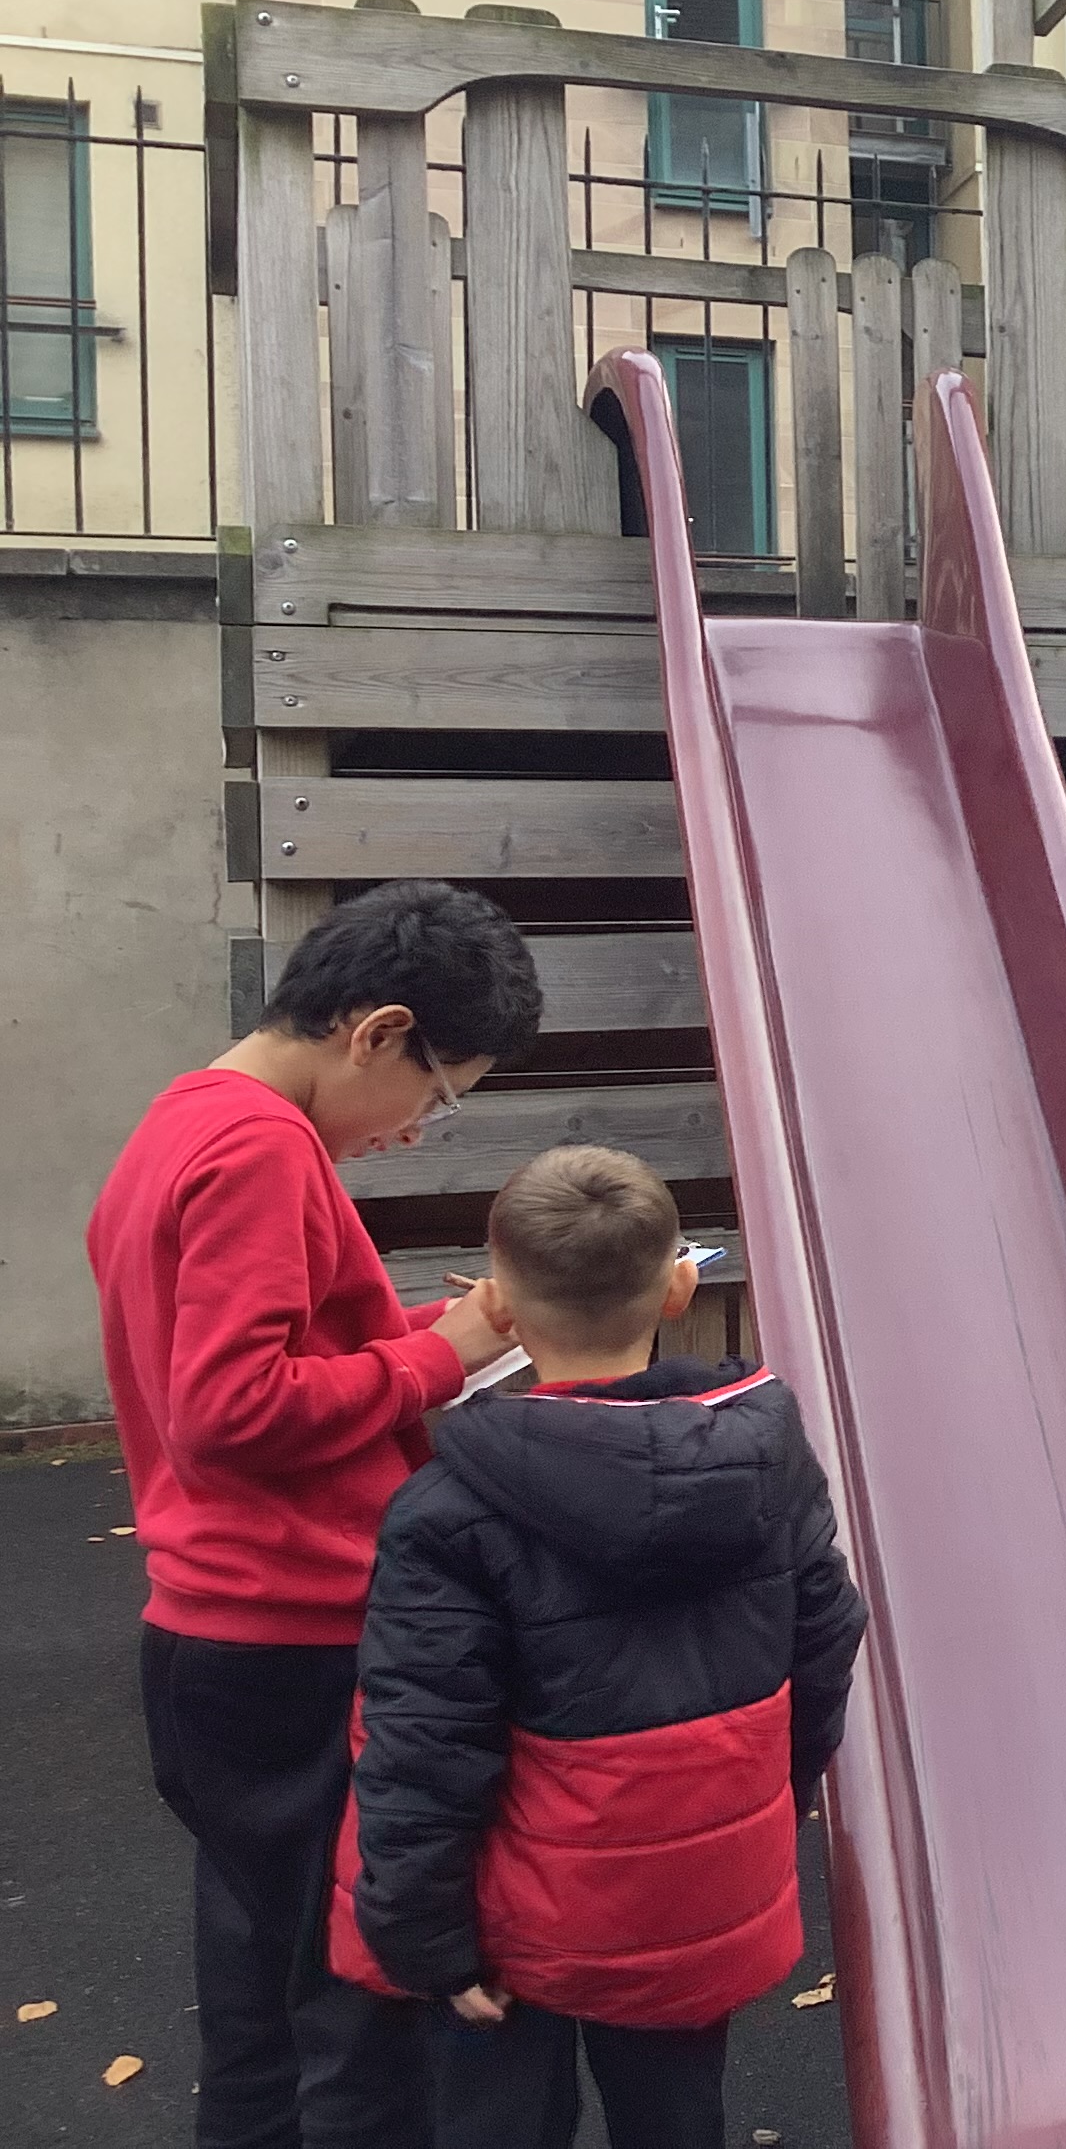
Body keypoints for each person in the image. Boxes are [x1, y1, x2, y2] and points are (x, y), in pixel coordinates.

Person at [86, 876, 543, 2148]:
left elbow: (255, 1354)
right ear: (378, 1032)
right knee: (351, 2003)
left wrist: (444, 1328)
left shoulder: (187, 1117)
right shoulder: (262, 1150)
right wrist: (439, 1359)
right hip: (298, 1626)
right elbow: (231, 1409)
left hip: (216, 1627)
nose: (416, 1131)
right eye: (435, 1095)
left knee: (259, 1989)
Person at [328, 1145, 868, 2149]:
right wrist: (773, 1798)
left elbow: (424, 1739)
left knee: (498, 2118)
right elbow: (826, 1640)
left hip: (515, 1909)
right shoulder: (768, 1461)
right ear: (678, 1288)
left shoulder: (446, 1509)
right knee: (677, 2115)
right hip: (691, 1888)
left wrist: (420, 1934)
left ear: (497, 1304)